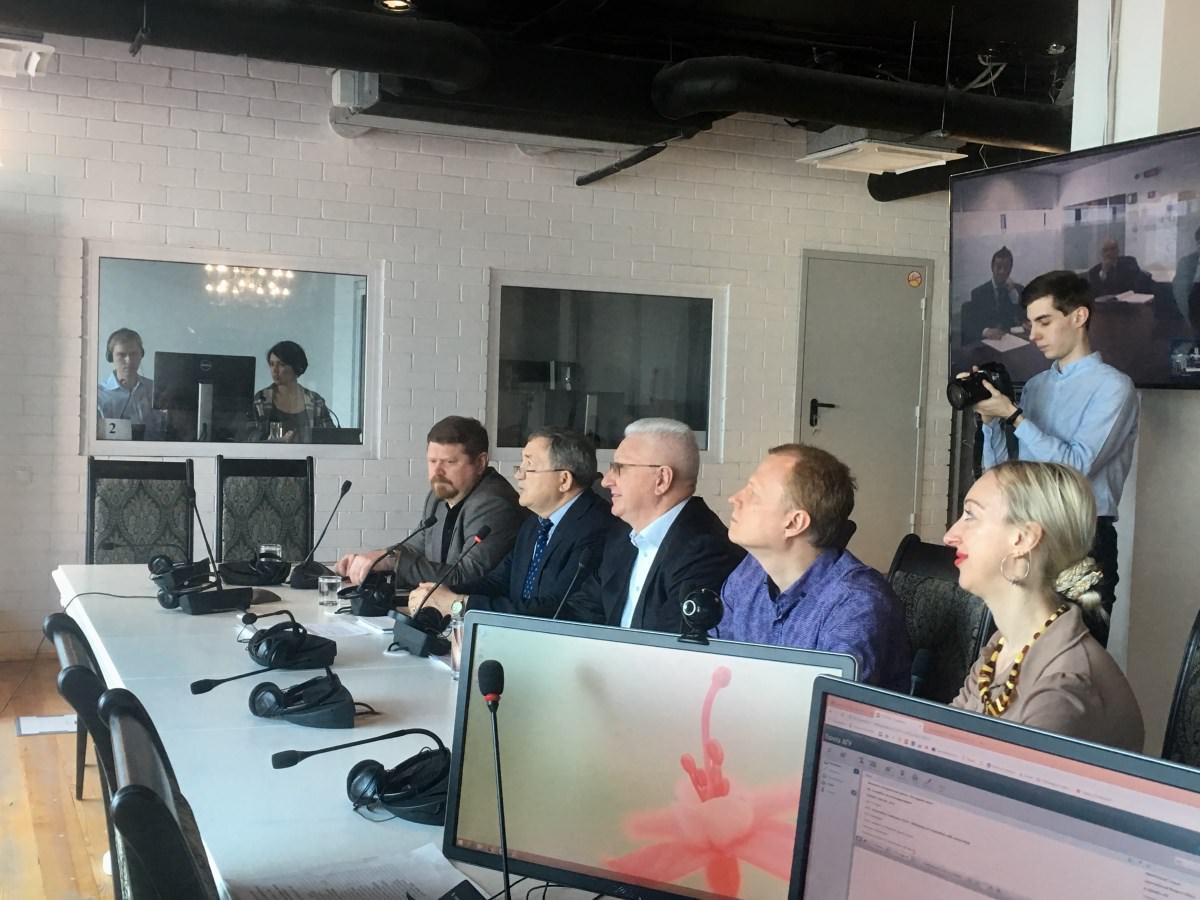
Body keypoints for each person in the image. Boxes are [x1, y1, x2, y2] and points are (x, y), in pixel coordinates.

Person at [969, 270, 1139, 645]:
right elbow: (1005, 477)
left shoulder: (1114, 387)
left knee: (1077, 652)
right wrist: (991, 424)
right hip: (1027, 530)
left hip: (1084, 538)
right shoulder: (1035, 386)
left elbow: (1076, 468)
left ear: (1079, 316)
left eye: (1044, 322)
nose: (1033, 335)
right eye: (1030, 323)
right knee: (1013, 651)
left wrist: (1015, 416)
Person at [944, 460, 1144, 752]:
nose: (949, 535)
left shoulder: (1064, 689)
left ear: (1023, 539)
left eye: (970, 515)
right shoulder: (1003, 647)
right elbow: (940, 744)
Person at [718, 444, 910, 691]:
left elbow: (830, 707)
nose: (734, 498)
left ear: (794, 523)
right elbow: (714, 666)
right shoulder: (750, 573)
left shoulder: (856, 605)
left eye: (754, 493)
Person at [409, 428, 616, 619]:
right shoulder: (536, 523)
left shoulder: (596, 529)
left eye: (529, 467)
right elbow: (499, 581)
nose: (518, 475)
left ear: (564, 480)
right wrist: (442, 593)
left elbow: (555, 609)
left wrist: (460, 604)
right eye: (520, 465)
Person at [568, 418, 744, 633]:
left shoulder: (707, 551)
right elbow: (582, 611)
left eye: (619, 468)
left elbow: (671, 644)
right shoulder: (622, 535)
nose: (606, 481)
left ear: (662, 479)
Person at [336, 415, 528, 589]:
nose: (437, 472)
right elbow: (414, 549)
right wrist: (372, 560)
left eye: (449, 462)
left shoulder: (494, 505)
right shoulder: (437, 498)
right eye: (432, 461)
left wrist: (392, 561)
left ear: (480, 463)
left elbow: (466, 578)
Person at [250, 341, 333, 443]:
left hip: (307, 454)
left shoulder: (315, 401)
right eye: (271, 364)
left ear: (297, 367)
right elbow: (250, 438)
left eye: (281, 364)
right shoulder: (260, 399)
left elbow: (331, 438)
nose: (274, 370)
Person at [96, 327, 164, 440]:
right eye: (121, 355)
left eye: (133, 354)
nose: (129, 361)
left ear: (141, 355)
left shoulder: (155, 390)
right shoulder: (98, 395)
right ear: (110, 357)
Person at [961, 247, 1024, 345]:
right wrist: (985, 331)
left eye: (1006, 268)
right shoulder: (978, 293)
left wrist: (1013, 294)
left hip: (1010, 341)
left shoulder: (1017, 290)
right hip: (987, 344)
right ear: (992, 267)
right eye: (998, 267)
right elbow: (971, 325)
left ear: (1011, 269)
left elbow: (1022, 317)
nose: (1002, 271)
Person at [1087, 238, 1151, 297]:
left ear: (1118, 250)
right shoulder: (1094, 271)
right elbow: (1096, 294)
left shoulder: (1129, 262)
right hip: (1107, 303)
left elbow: (1135, 285)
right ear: (1101, 253)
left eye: (1112, 249)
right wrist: (1104, 273)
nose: (1109, 253)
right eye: (1105, 250)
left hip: (1129, 299)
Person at [1171, 224, 1200, 325]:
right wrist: (1187, 320)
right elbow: (1180, 293)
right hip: (1193, 317)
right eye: (1199, 243)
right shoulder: (1186, 263)